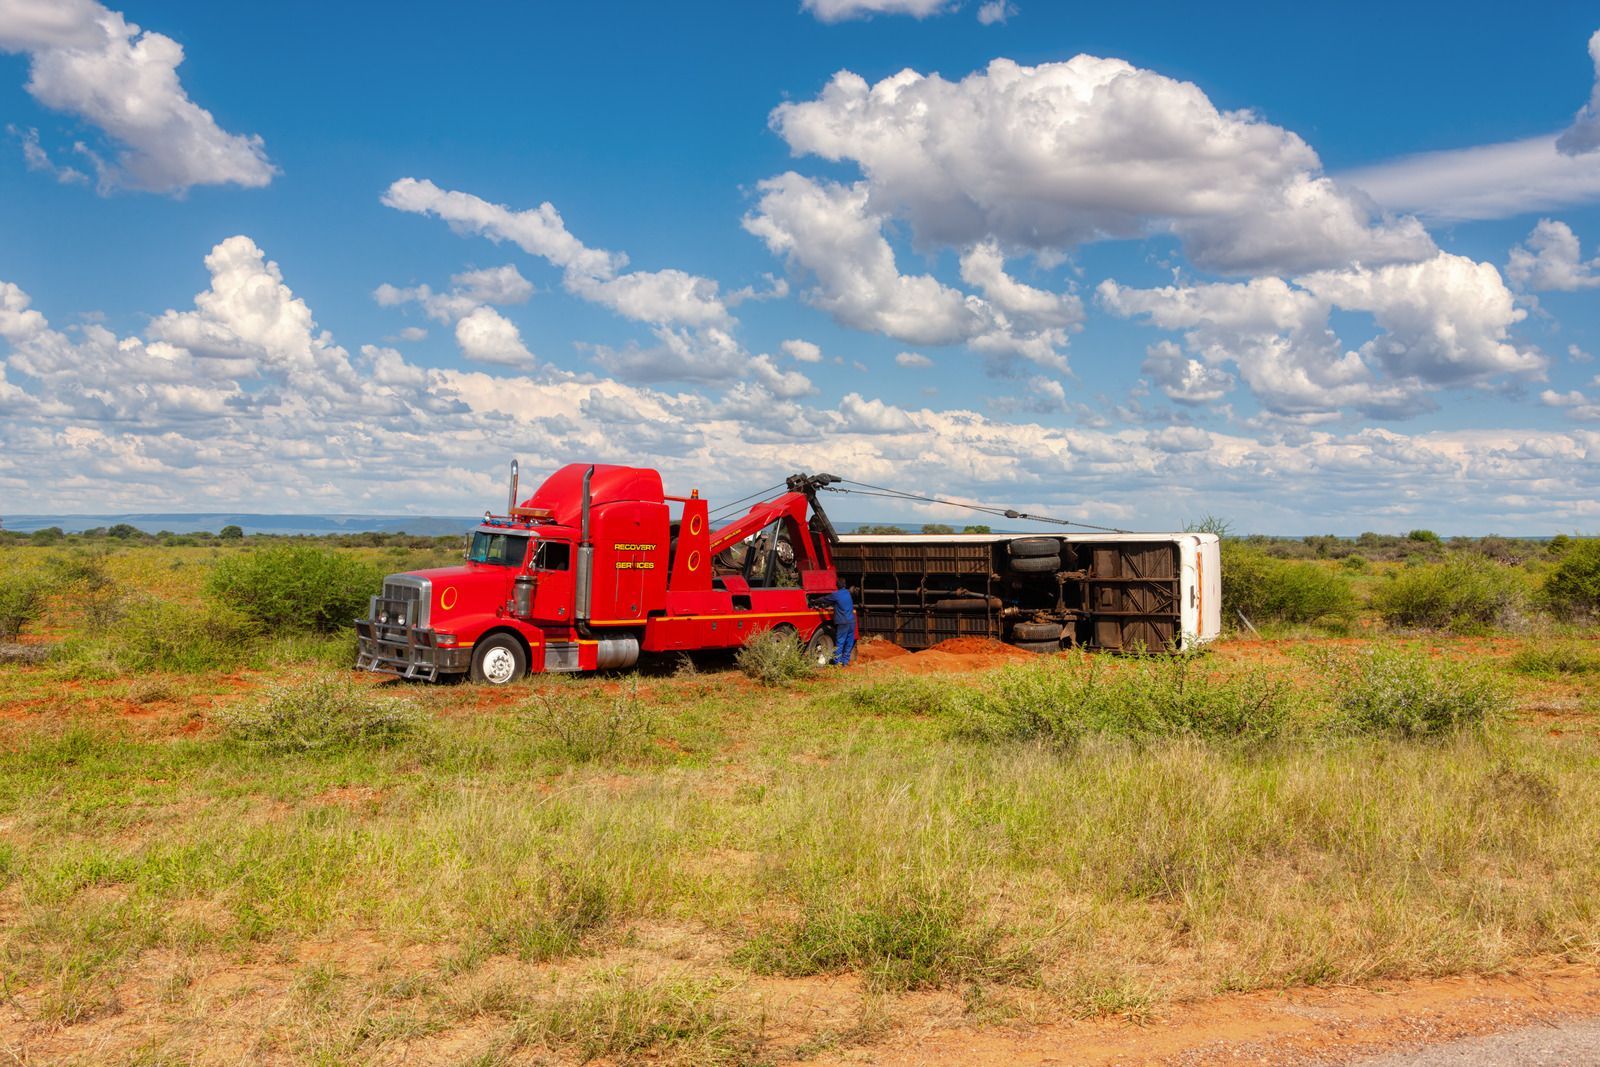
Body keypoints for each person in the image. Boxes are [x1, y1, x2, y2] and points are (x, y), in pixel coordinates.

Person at [827, 577, 856, 666]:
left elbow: (825, 599)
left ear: (836, 585)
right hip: (851, 621)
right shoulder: (848, 593)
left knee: (840, 642)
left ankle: (837, 663)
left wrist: (815, 601)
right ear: (845, 585)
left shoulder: (836, 595)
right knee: (849, 642)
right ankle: (845, 662)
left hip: (842, 622)